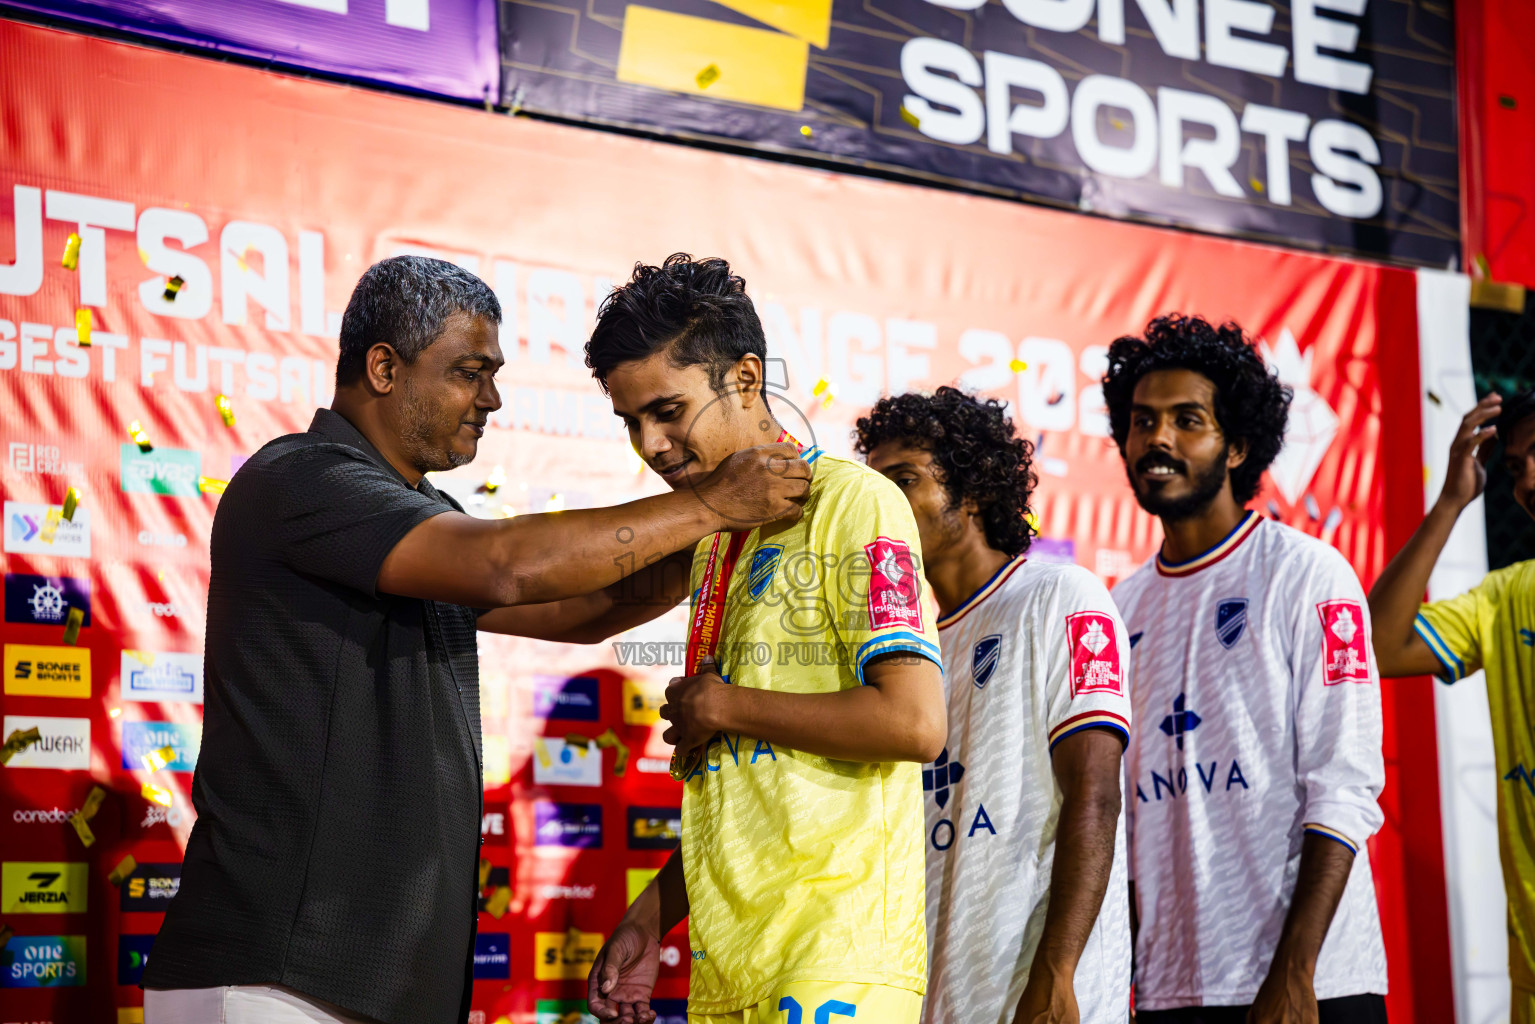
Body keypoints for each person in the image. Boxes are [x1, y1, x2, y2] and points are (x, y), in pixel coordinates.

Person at [142, 255, 810, 1024]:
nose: (490, 398)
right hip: (278, 976)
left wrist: (724, 533)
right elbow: (505, 567)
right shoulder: (300, 478)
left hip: (361, 981)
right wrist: (712, 504)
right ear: (385, 368)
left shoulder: (413, 509)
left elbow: (582, 607)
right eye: (469, 371)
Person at [579, 254, 948, 1024]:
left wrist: (725, 704)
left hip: (834, 965)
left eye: (668, 411)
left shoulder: (857, 502)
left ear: (745, 380)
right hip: (728, 972)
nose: (649, 443)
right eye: (630, 421)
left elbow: (912, 724)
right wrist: (653, 915)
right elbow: (749, 774)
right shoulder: (714, 540)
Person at [1104, 315, 1389, 1024]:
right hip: (1172, 990)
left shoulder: (1307, 574)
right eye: (1142, 422)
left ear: (1235, 446)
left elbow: (1344, 786)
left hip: (1309, 985)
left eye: (1185, 420)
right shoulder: (1117, 607)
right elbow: (1123, 821)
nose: (1157, 440)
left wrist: (1294, 971)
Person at [855, 387, 1132, 1024]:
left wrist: (1058, 972)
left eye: (905, 481)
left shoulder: (1060, 593)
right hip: (939, 998)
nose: (884, 509)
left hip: (1042, 995)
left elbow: (1095, 792)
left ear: (974, 489)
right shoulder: (903, 649)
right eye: (876, 491)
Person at [1368, 390, 1535, 1024]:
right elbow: (1379, 646)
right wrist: (1449, 503)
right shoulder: (1506, 597)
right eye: (1516, 469)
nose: (1528, 482)